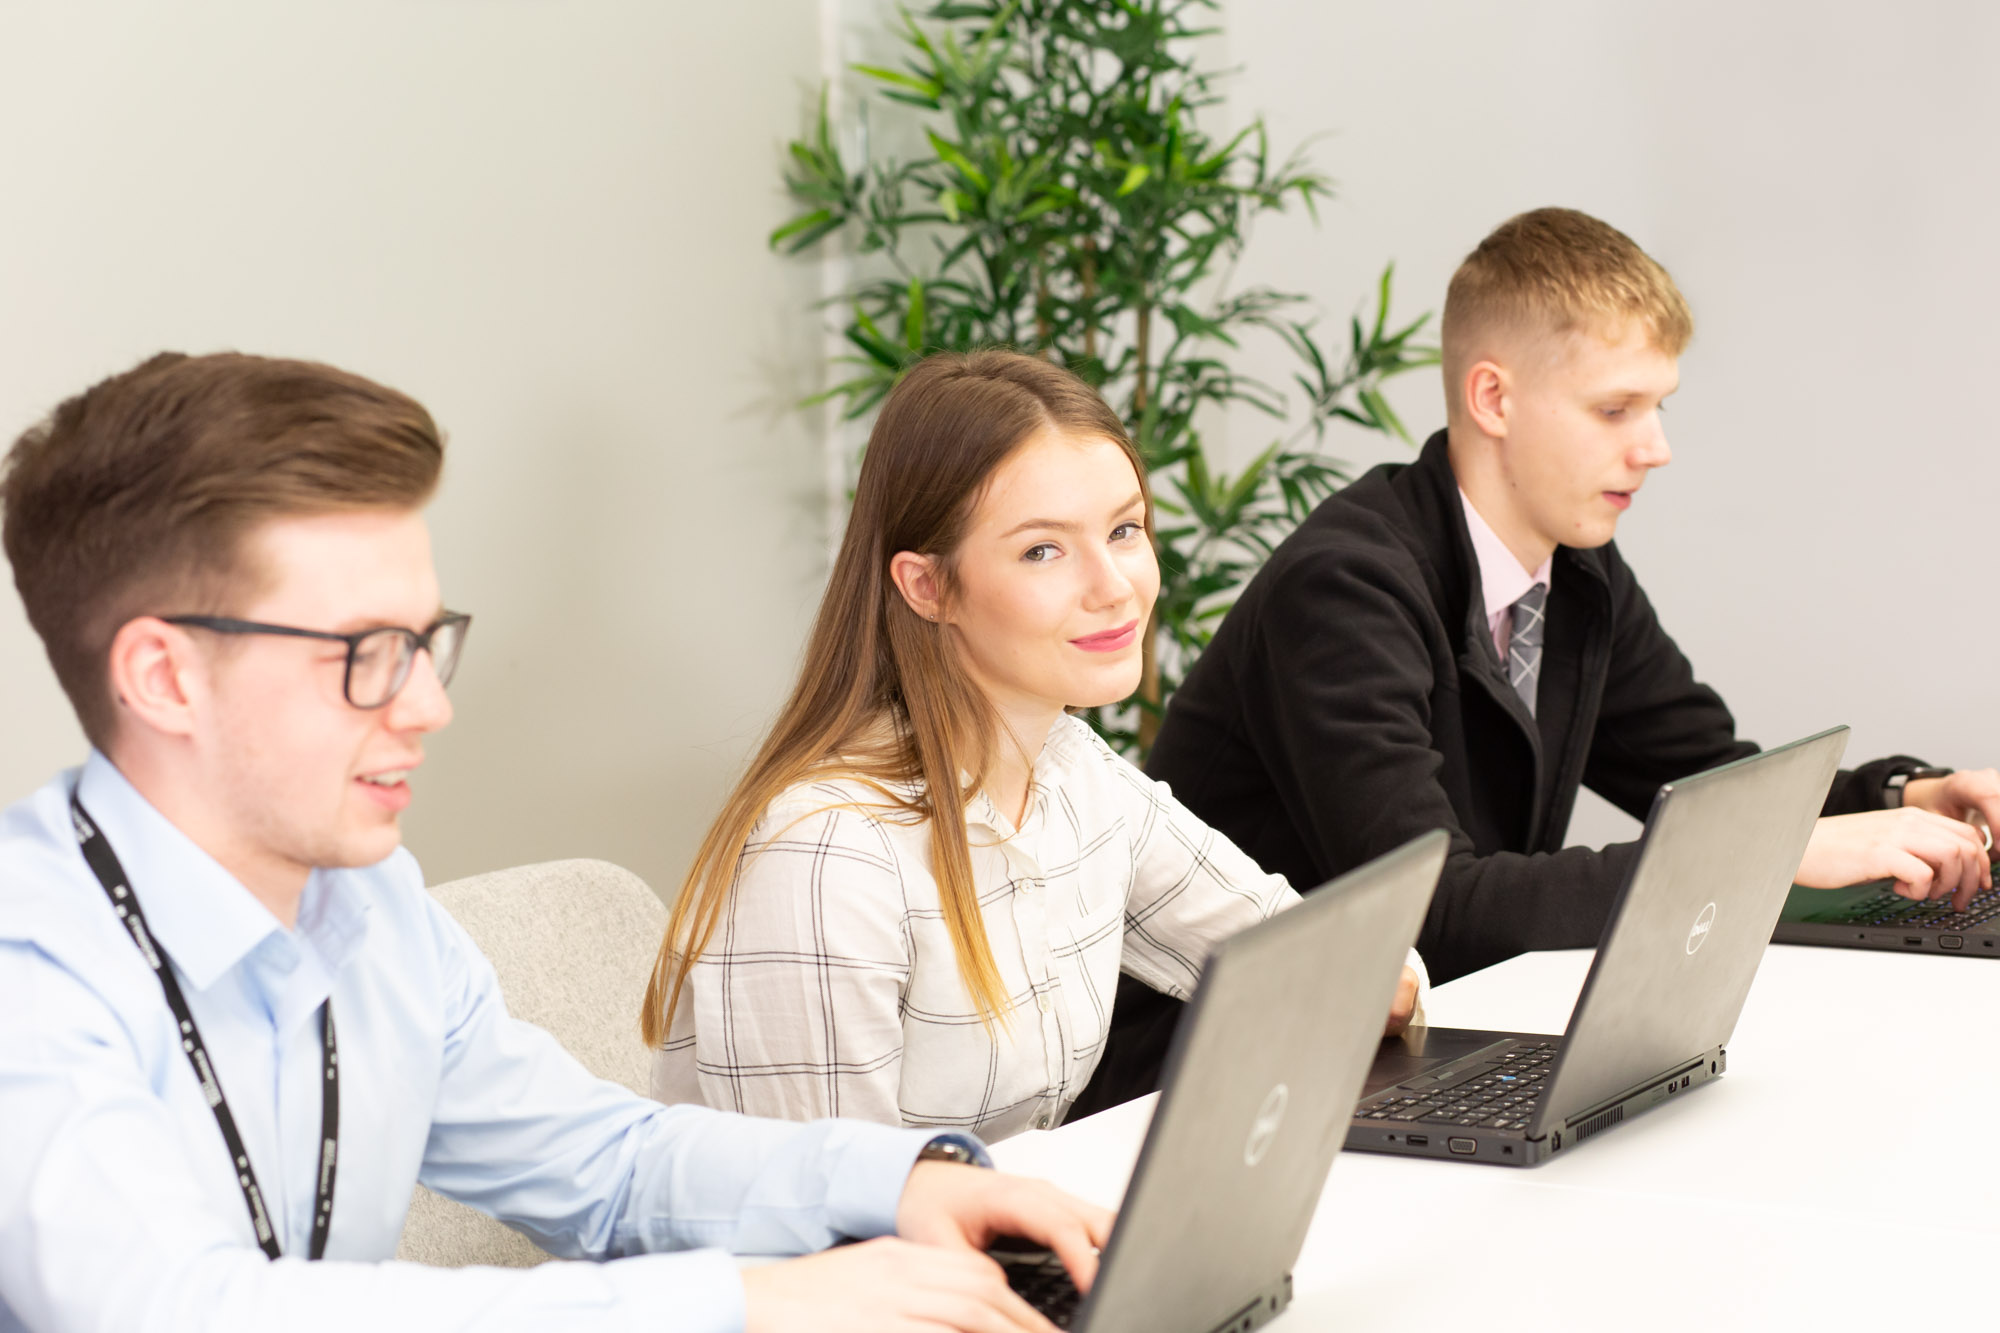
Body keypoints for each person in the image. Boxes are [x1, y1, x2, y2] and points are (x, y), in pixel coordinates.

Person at [0, 351, 1114, 1333]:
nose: (428, 707)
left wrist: (903, 1185)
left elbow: (607, 1164)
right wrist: (747, 1304)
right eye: (363, 652)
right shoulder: (29, 970)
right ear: (163, 677)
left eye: (424, 641)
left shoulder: (369, 906)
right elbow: (184, 1313)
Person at [1070, 207, 2000, 1114]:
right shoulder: (1345, 585)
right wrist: (1780, 856)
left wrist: (1908, 795)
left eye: (1659, 406)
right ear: (1494, 398)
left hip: (1402, 1058)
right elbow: (1430, 909)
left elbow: (1712, 783)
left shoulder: (1577, 569)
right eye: (1615, 408)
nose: (1657, 448)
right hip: (1211, 1091)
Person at [642, 350, 1427, 1140]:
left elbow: (1322, 956)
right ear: (928, 586)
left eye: (1124, 530)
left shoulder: (1074, 773)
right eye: (1042, 550)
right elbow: (833, 1220)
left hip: (983, 1240)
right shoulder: (827, 852)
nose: (1114, 585)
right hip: (853, 1257)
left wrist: (1379, 978)